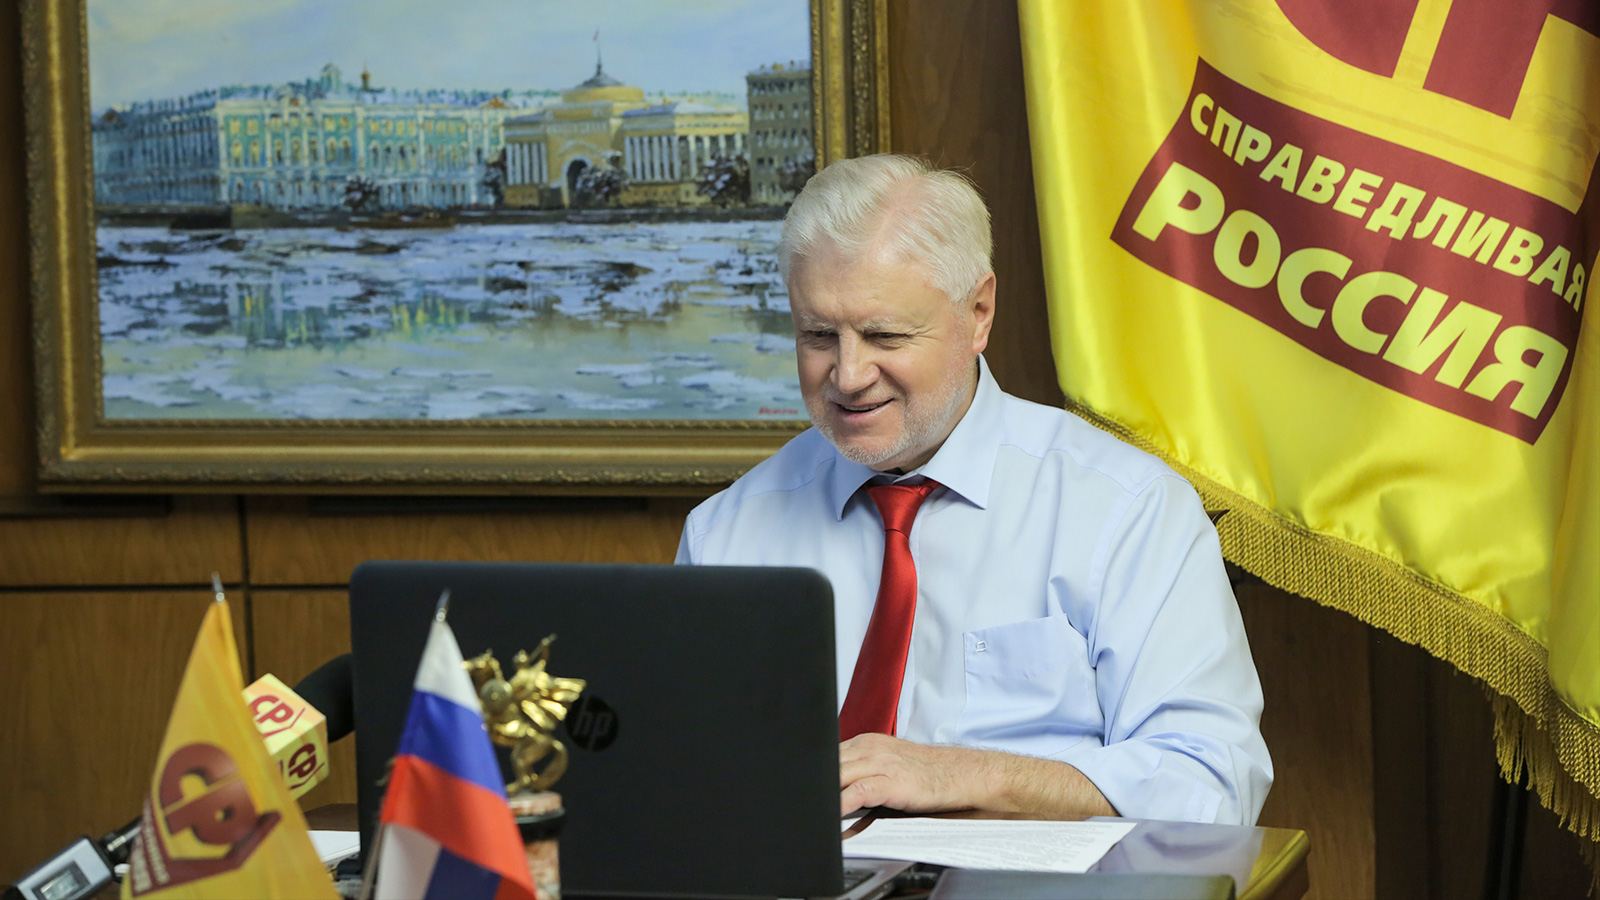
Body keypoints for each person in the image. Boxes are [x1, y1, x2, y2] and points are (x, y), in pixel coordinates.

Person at [675, 154, 1272, 826]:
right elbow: (679, 779)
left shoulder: (1127, 508)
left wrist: (971, 776)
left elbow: (1212, 786)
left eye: (884, 335)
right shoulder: (725, 533)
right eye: (818, 336)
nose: (848, 375)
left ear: (979, 313)